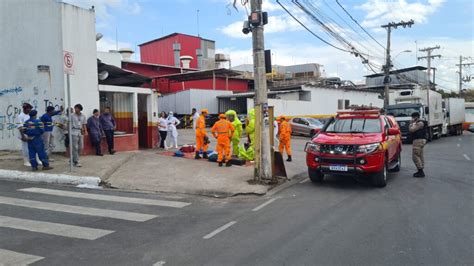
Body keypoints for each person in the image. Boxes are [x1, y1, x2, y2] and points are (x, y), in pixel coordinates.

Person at [409, 112, 427, 177]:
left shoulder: (420, 123)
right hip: (420, 140)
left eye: (413, 117)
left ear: (416, 117)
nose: (412, 119)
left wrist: (411, 124)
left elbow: (412, 130)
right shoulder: (420, 122)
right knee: (420, 155)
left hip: (418, 140)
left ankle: (420, 171)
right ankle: (420, 169)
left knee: (415, 156)